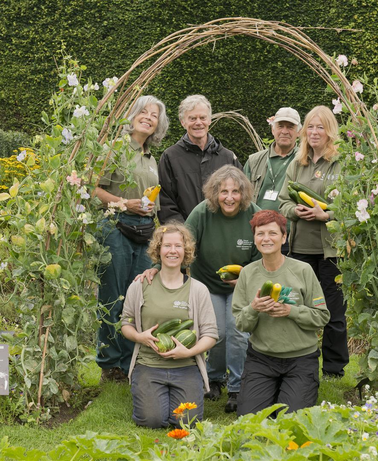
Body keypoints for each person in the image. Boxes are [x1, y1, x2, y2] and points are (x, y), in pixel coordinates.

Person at [140, 165, 260, 413]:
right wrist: (155, 266)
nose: (229, 197)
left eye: (235, 191)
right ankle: (215, 378)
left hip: (241, 286)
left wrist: (246, 279)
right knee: (216, 332)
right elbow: (184, 241)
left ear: (244, 193)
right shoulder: (203, 212)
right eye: (223, 191)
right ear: (214, 193)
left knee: (238, 333)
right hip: (208, 285)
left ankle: (237, 387)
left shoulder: (253, 215)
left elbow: (261, 254)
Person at [94, 95, 169, 383]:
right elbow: (93, 189)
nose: (148, 117)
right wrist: (126, 204)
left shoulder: (152, 159)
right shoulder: (114, 148)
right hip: (116, 228)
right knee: (113, 296)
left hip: (144, 231)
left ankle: (129, 362)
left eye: (155, 116)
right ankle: (109, 363)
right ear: (132, 115)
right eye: (144, 112)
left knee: (136, 299)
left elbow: (154, 206)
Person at [233, 210, 330, 415]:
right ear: (254, 238)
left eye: (272, 233)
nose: (266, 239)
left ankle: (287, 391)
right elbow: (241, 324)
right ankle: (273, 390)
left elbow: (321, 317)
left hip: (301, 359)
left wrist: (290, 311)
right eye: (260, 234)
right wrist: (254, 308)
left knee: (290, 420)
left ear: (284, 237)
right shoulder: (247, 274)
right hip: (261, 359)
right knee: (249, 420)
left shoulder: (303, 270)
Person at [121, 222, 218, 428]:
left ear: (186, 252)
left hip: (186, 366)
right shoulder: (140, 285)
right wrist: (139, 337)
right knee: (152, 420)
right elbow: (126, 322)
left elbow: (210, 334)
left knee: (187, 422)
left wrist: (188, 352)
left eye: (178, 246)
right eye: (167, 246)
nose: (172, 251)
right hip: (148, 364)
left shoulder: (198, 290)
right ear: (158, 250)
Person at [278, 105, 349, 378]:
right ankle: (296, 361)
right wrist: (294, 211)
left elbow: (353, 205)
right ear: (304, 131)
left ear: (330, 130)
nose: (315, 132)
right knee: (296, 306)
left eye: (320, 126)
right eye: (310, 126)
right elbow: (283, 201)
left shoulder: (341, 164)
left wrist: (326, 214)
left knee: (332, 312)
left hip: (330, 251)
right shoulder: (297, 164)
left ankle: (333, 368)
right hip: (298, 250)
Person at [157, 94, 242, 224]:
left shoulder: (228, 157)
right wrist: (184, 233)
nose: (198, 122)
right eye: (192, 118)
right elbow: (165, 203)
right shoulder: (170, 157)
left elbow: (242, 195)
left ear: (209, 120)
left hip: (223, 232)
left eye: (202, 117)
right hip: (186, 236)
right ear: (183, 122)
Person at [244, 107, 301, 254]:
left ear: (299, 132)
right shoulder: (254, 161)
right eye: (280, 126)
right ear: (273, 130)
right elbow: (243, 200)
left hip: (292, 239)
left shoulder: (305, 160)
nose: (284, 131)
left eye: (290, 127)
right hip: (258, 237)